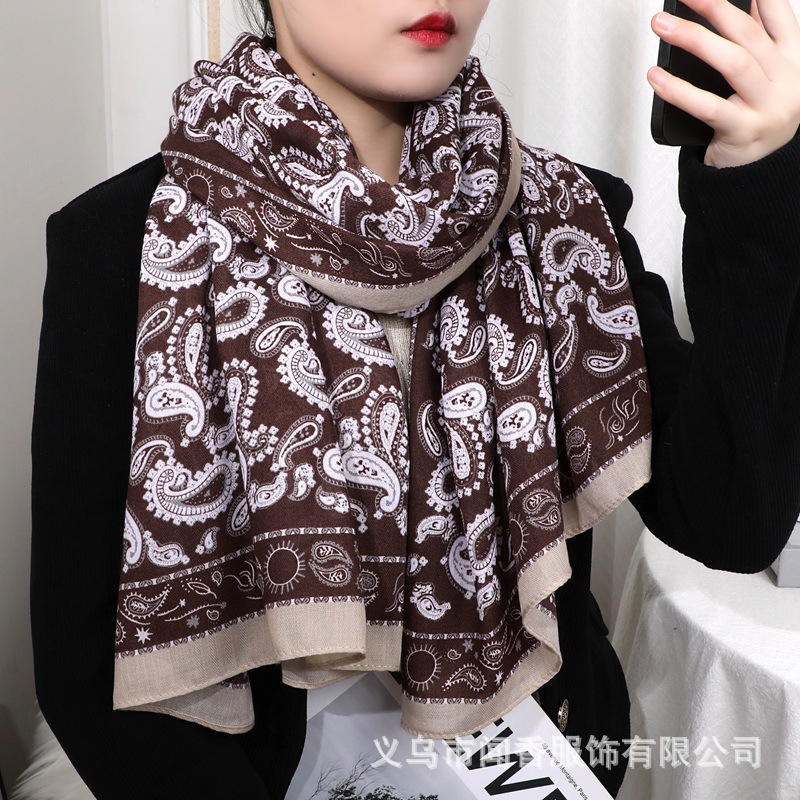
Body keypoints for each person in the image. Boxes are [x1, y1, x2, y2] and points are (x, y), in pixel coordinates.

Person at [31, 0, 800, 798]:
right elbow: (87, 667)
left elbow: (731, 520)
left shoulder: (564, 222)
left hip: (544, 764)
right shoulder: (127, 245)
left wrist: (752, 185)